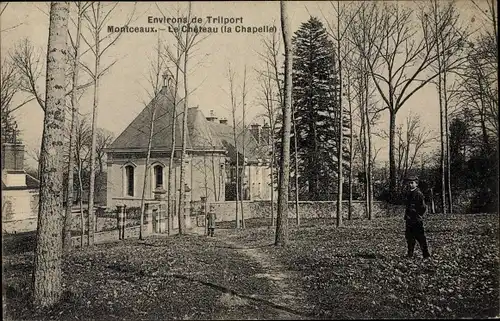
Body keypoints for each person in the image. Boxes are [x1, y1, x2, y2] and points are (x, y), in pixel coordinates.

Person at [404, 176, 431, 259]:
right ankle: (410, 254)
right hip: (409, 219)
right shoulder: (409, 193)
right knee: (409, 238)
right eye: (409, 183)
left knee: (420, 237)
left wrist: (418, 215)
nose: (410, 184)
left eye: (412, 183)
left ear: (416, 184)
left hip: (416, 220)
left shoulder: (418, 193)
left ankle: (426, 254)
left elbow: (423, 207)